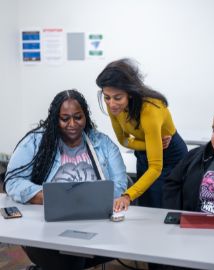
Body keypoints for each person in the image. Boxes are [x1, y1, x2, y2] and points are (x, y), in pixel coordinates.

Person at [4, 89, 127, 270]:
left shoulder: (103, 144)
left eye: (78, 117)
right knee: (69, 260)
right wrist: (50, 198)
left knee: (72, 259)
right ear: (55, 119)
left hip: (94, 224)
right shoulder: (36, 141)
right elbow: (13, 181)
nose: (72, 124)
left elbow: (118, 185)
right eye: (64, 118)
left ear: (86, 117)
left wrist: (87, 201)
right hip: (45, 226)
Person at [96, 58, 188, 211]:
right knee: (146, 206)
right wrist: (147, 146)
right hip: (144, 152)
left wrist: (127, 195)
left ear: (130, 93)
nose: (111, 103)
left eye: (117, 97)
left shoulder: (150, 110)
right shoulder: (114, 106)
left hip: (170, 156)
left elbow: (155, 168)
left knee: (161, 210)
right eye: (107, 97)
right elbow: (123, 141)